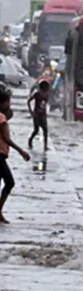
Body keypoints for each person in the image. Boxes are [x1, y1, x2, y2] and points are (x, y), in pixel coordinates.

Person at [0, 91, 30, 223]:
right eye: (8, 102)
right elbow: (6, 138)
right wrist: (21, 151)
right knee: (9, 182)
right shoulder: (1, 118)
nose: (9, 104)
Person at [27, 80, 50, 150]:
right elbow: (28, 101)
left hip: (43, 115)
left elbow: (46, 105)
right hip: (36, 115)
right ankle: (30, 140)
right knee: (36, 130)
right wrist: (31, 111)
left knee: (45, 130)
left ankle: (45, 146)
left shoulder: (47, 95)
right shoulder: (37, 94)